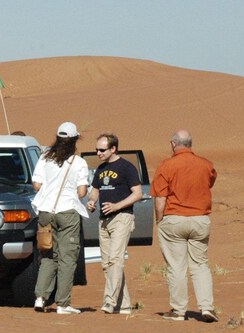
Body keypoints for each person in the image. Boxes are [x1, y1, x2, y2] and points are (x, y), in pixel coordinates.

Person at [154, 129, 219, 322]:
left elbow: (160, 198)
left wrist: (160, 220)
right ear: (190, 143)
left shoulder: (166, 165)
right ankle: (207, 307)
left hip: (174, 219)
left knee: (176, 266)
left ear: (174, 144)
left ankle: (179, 310)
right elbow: (210, 182)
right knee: (200, 264)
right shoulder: (206, 165)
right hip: (200, 219)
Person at [31, 121, 89, 315]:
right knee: (67, 258)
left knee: (47, 254)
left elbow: (37, 185)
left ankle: (41, 297)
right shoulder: (79, 162)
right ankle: (63, 303)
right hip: (67, 212)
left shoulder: (44, 158)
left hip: (46, 212)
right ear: (74, 140)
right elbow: (81, 192)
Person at [86, 133, 143, 315]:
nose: (98, 153)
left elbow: (138, 193)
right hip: (104, 220)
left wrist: (117, 205)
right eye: (96, 150)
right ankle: (124, 304)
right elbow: (95, 190)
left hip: (122, 218)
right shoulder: (101, 169)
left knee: (115, 260)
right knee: (107, 264)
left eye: (102, 150)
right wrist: (92, 201)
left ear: (113, 149)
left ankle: (110, 301)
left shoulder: (127, 167)